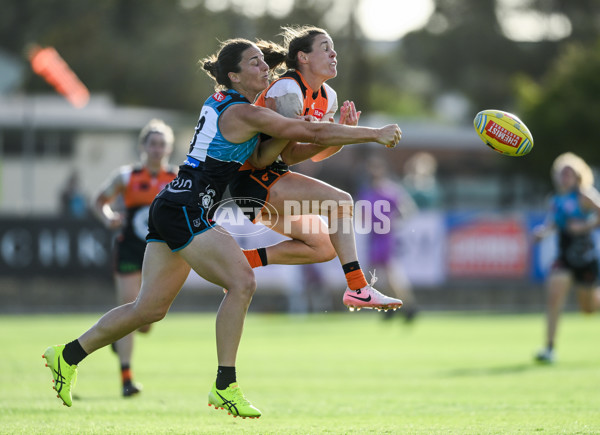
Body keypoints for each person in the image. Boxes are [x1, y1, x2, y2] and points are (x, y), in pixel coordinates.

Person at [42, 37, 402, 418]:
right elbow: (309, 135)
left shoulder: (236, 108)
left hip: (175, 203)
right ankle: (225, 385)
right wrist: (373, 134)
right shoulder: (242, 112)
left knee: (148, 309)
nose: (265, 67)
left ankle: (66, 355)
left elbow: (267, 154)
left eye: (264, 61)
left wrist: (296, 127)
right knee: (242, 283)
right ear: (233, 75)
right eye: (255, 63)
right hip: (186, 206)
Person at [229, 26, 404, 312]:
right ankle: (359, 288)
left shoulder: (327, 97)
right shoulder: (287, 89)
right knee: (342, 202)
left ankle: (240, 261)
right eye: (325, 47)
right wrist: (371, 133)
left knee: (322, 247)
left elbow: (309, 153)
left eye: (333, 47)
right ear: (303, 57)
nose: (334, 53)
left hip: (270, 178)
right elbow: (288, 151)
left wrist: (340, 134)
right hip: (251, 179)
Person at [91, 119, 177, 397]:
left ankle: (118, 335)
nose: (156, 149)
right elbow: (99, 201)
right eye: (152, 143)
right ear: (143, 146)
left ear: (168, 148)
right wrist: (109, 218)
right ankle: (127, 379)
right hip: (130, 249)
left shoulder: (177, 178)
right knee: (130, 309)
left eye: (162, 144)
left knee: (147, 321)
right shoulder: (126, 176)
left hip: (162, 253)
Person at [533, 152, 600, 363]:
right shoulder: (556, 200)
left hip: (585, 257)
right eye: (562, 173)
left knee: (587, 309)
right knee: (554, 298)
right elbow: (553, 224)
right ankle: (549, 348)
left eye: (569, 173)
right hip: (563, 257)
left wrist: (585, 226)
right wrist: (542, 233)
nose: (565, 177)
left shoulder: (585, 196)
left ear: (578, 175)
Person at [357, 155, 420, 321]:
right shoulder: (367, 192)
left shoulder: (390, 190)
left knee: (389, 272)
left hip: (385, 237)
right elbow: (360, 214)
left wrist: (393, 222)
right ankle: (394, 306)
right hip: (373, 237)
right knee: (375, 273)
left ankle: (407, 306)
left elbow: (407, 209)